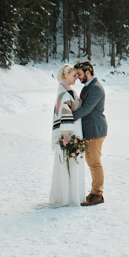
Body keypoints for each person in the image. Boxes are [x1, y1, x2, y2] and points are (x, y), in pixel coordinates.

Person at [49, 64, 87, 206]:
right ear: (66, 75)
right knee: (70, 162)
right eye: (74, 75)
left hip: (73, 129)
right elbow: (64, 112)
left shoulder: (66, 90)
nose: (76, 77)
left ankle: (70, 194)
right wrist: (65, 135)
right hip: (70, 132)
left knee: (70, 162)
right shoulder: (65, 92)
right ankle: (70, 196)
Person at [73, 61, 107, 206]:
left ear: (88, 72)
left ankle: (98, 194)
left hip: (95, 129)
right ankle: (94, 192)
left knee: (95, 163)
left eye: (79, 74)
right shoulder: (88, 87)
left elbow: (86, 108)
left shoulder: (96, 89)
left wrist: (68, 117)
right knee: (90, 162)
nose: (78, 77)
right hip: (89, 130)